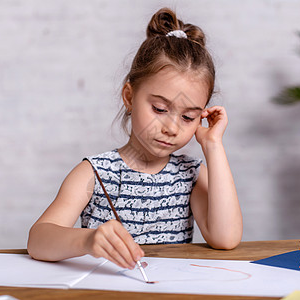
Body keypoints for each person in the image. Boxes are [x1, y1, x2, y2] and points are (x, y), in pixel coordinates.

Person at [27, 7, 242, 270]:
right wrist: (87, 240)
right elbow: (38, 241)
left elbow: (226, 238)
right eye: (160, 110)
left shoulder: (192, 176)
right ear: (129, 97)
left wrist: (213, 144)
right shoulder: (94, 173)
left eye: (188, 117)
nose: (172, 128)